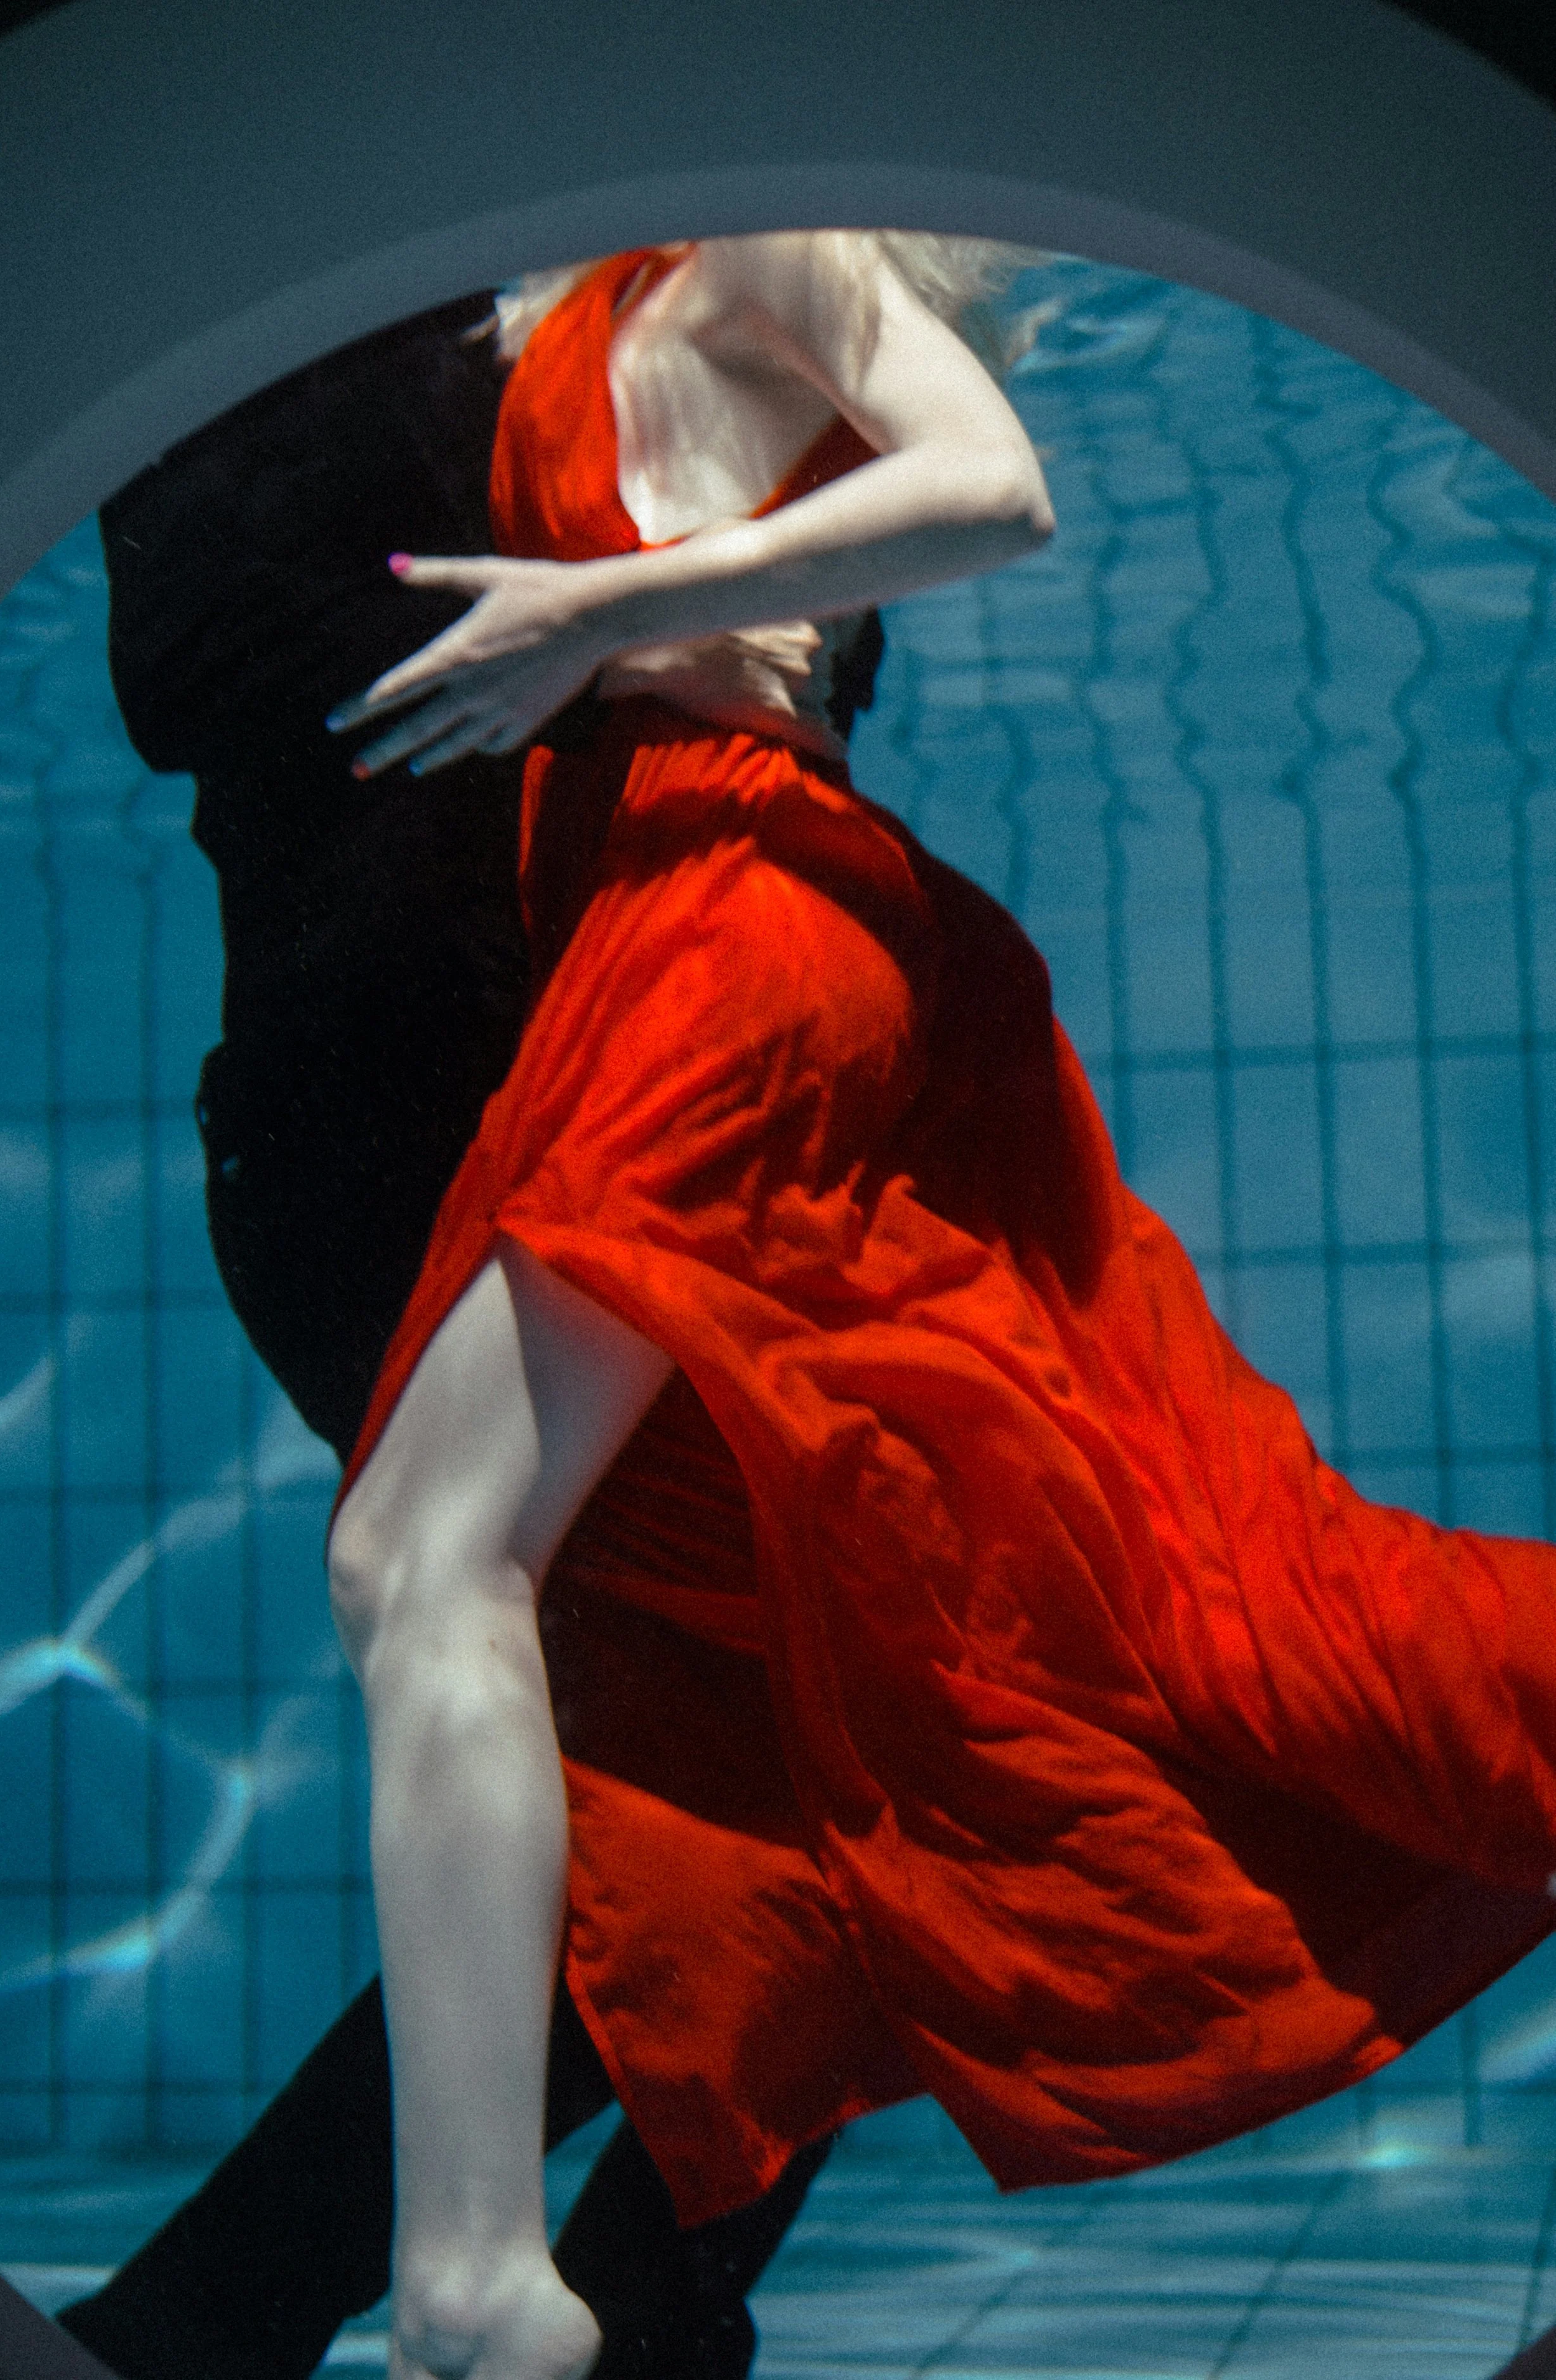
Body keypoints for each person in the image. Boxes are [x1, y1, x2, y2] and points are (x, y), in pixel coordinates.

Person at [322, 227, 1556, 2380]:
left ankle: (479, 2280)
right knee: (1109, 1596)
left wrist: (595, 608)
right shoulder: (605, 291)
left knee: (428, 1555)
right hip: (709, 922)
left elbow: (992, 486)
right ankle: (475, 2272)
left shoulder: (745, 243)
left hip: (732, 923)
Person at [58, 288, 873, 2380]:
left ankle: (295, 2315)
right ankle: (325, 2310)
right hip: (398, 1159)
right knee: (799, 1765)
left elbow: (822, 664)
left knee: (860, 1749)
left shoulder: (673, 324)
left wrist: (669, 583)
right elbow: (208, 672)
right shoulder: (327, 350)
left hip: (663, 1143)